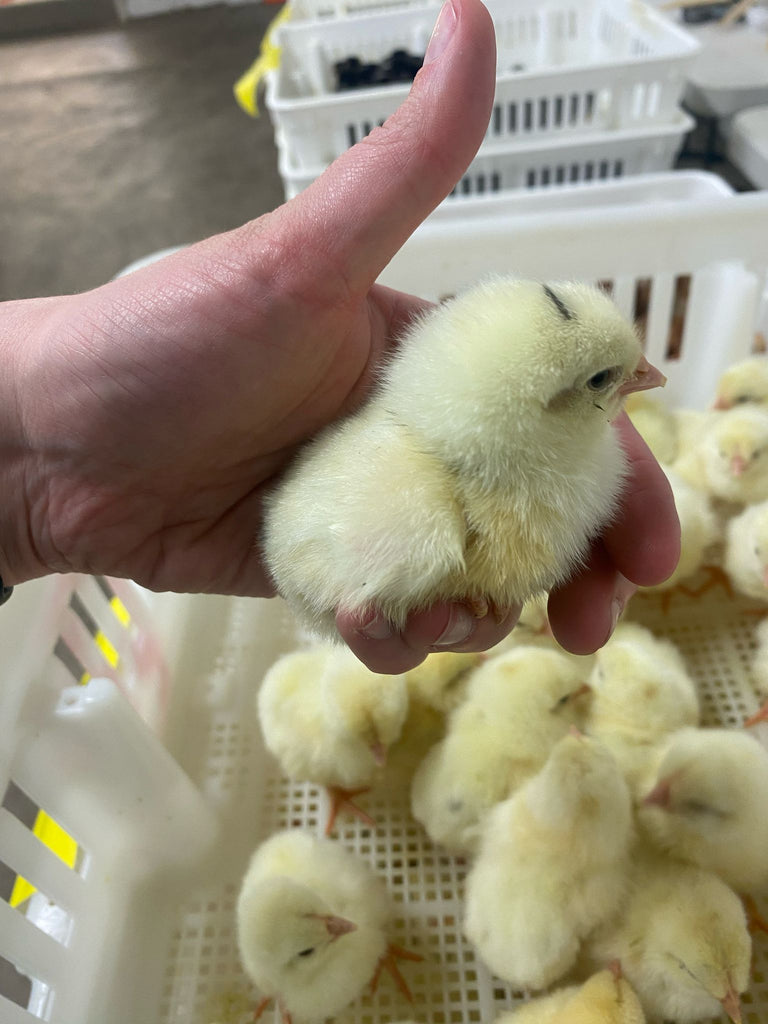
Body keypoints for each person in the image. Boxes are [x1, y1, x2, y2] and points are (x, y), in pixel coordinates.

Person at [0, 0, 679, 674]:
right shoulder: (420, 508)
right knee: (415, 556)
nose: (642, 373)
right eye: (602, 379)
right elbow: (324, 568)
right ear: (542, 409)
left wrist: (34, 470)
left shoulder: (455, 450)